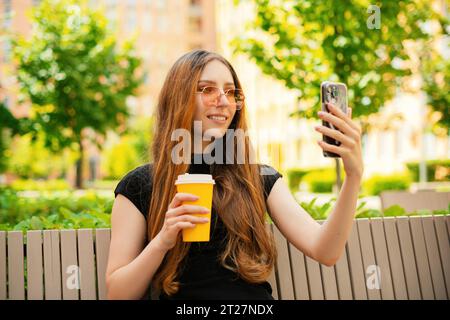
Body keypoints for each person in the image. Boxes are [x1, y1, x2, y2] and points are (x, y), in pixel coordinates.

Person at [106, 50, 364, 300]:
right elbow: (118, 294)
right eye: (207, 89)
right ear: (178, 96)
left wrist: (353, 177)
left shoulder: (258, 178)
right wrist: (162, 241)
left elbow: (326, 251)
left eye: (230, 92)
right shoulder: (141, 185)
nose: (223, 100)